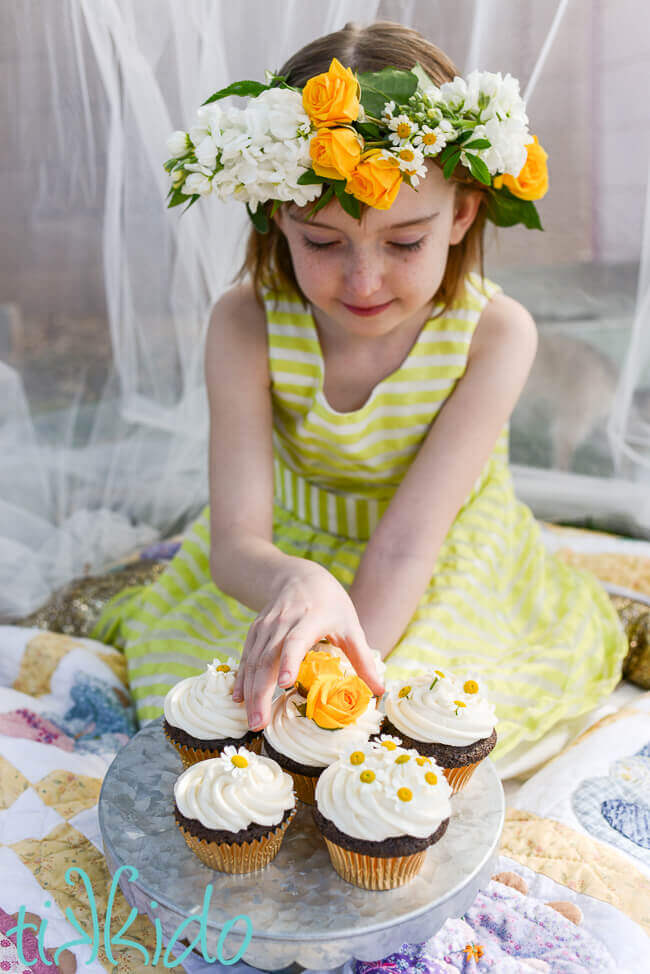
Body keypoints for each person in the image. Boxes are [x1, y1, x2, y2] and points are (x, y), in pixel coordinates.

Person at [94, 21, 627, 762]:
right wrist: (302, 583)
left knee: (407, 724)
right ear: (278, 211)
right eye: (323, 242)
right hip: (282, 560)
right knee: (217, 709)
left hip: (434, 557)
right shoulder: (247, 323)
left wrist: (334, 680)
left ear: (463, 212)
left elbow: (409, 545)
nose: (364, 281)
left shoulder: (494, 334)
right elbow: (235, 543)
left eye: (405, 242)